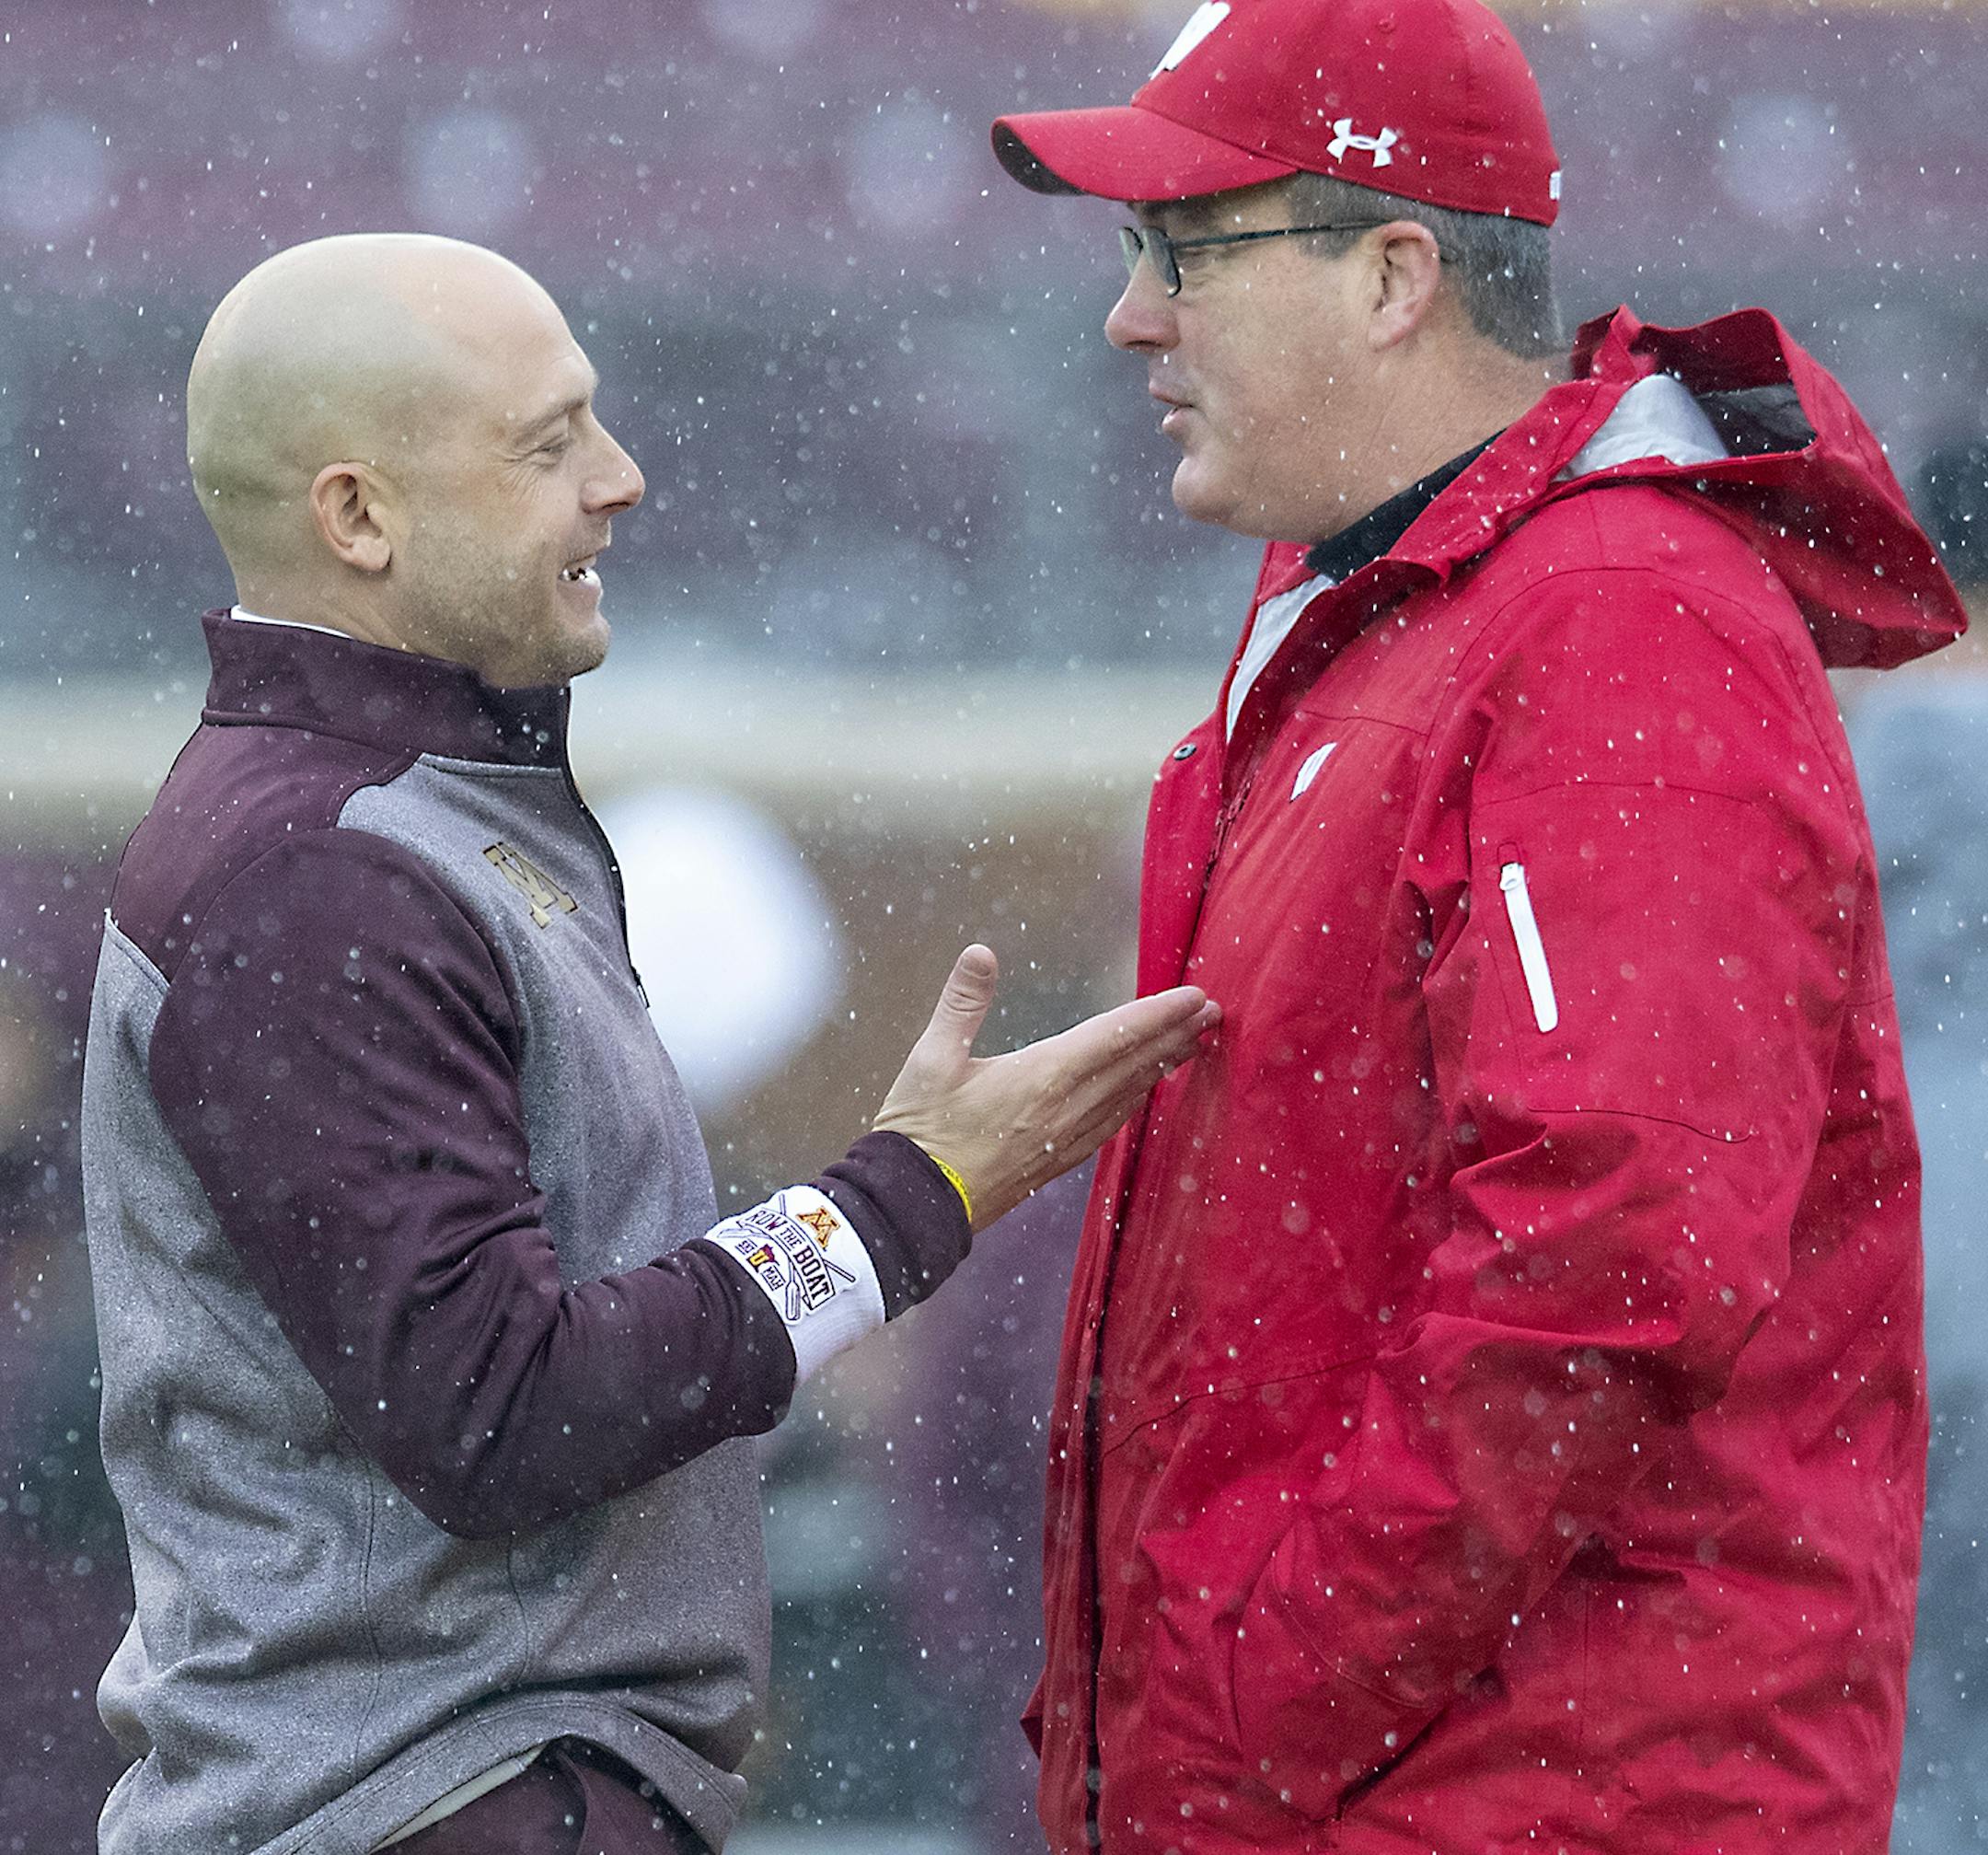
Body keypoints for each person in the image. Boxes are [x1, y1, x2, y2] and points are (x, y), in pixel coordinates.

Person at [78, 233, 1218, 1855]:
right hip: (433, 1799)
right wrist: (907, 1200)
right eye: (548, 444)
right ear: (358, 515)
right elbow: (503, 1411)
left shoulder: (414, 823)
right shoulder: (318, 874)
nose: (618, 480)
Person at [988, 0, 1969, 1848]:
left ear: (1393, 276)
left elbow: (1604, 1266)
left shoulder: (1611, 625)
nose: (1131, 317)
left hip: (1520, 1799)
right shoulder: (1408, 605)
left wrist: (1259, 1690)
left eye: (1182, 252)